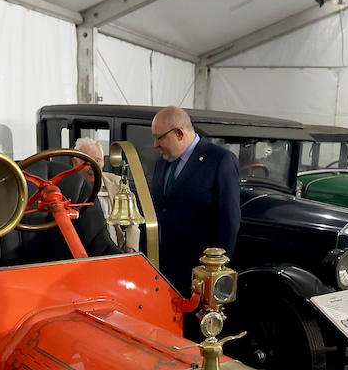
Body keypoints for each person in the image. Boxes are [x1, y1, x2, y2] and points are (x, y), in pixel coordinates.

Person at [149, 106, 241, 295]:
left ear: (179, 133)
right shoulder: (162, 163)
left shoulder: (220, 160)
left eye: (159, 138)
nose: (155, 145)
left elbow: (229, 221)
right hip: (162, 272)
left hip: (198, 275)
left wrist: (215, 275)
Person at [74, 137, 140, 253]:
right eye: (87, 163)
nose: (93, 167)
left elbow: (132, 221)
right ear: (75, 163)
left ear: (104, 161)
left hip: (117, 252)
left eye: (97, 161)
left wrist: (130, 249)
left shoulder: (118, 184)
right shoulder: (67, 188)